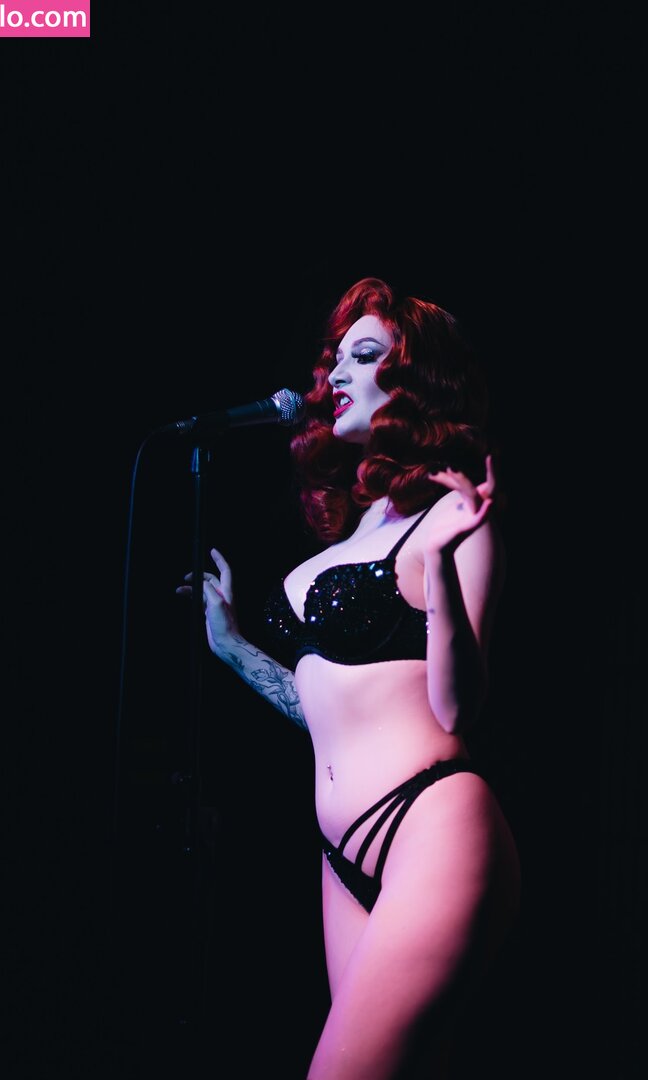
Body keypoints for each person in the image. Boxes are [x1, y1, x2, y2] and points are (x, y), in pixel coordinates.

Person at [177, 277, 521, 1079]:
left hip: (430, 828)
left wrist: (442, 568)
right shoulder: (363, 524)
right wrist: (232, 647)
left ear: (416, 379)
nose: (333, 373)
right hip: (342, 854)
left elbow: (456, 707)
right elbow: (329, 710)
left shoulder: (455, 519)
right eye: (334, 357)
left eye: (362, 357)